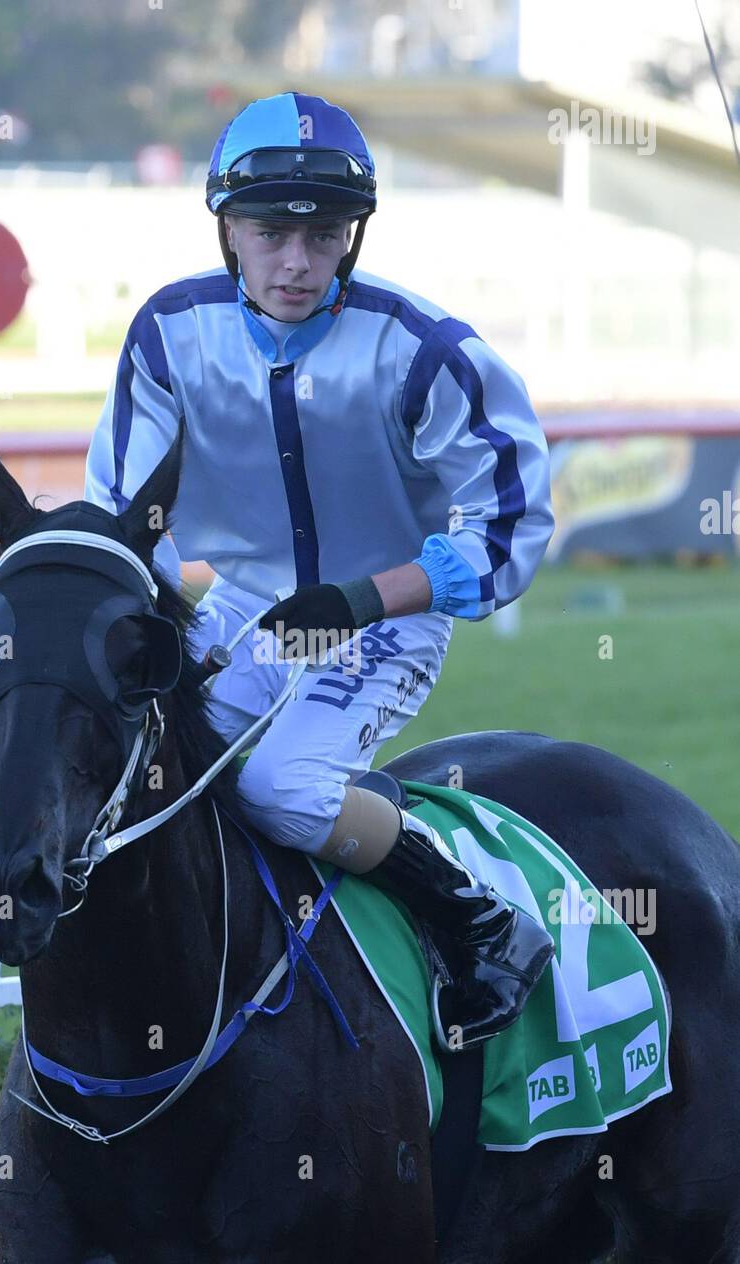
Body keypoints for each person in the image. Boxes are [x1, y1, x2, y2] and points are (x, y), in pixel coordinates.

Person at [85, 91, 556, 1049]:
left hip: (384, 613)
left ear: (355, 232)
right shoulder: (170, 335)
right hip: (250, 608)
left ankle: (478, 915)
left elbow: (511, 524)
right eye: (270, 233)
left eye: (327, 233)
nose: (298, 263)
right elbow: (131, 521)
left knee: (279, 789)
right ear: (225, 228)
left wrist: (365, 598)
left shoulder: (424, 349)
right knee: (150, 770)